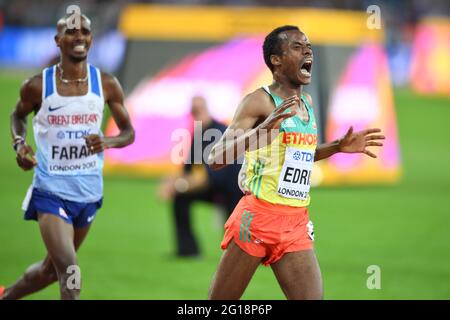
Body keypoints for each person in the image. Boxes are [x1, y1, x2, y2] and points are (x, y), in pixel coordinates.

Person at [207, 25, 385, 299]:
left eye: (309, 47)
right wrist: (260, 131)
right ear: (276, 60)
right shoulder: (259, 101)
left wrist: (337, 147)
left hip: (295, 222)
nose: (307, 51)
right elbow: (215, 158)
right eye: (297, 47)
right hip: (257, 219)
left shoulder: (307, 103)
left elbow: (300, 156)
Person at [0, 13, 134, 300]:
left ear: (91, 39)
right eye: (71, 32)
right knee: (70, 270)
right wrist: (19, 144)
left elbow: (129, 133)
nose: (78, 37)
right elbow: (17, 116)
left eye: (84, 31)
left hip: (88, 193)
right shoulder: (37, 85)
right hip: (51, 191)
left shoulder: (106, 84)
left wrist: (106, 141)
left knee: (51, 271)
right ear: (57, 40)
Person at [158, 96, 243, 257]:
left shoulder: (218, 132)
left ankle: (241, 257)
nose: (196, 114)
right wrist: (173, 181)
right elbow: (188, 172)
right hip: (215, 188)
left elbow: (206, 178)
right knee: (181, 197)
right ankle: (188, 250)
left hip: (234, 191)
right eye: (193, 111)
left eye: (198, 110)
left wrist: (176, 186)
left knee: (236, 239)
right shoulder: (198, 134)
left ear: (205, 109)